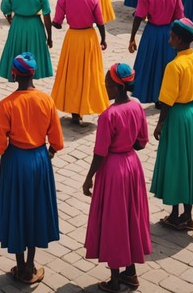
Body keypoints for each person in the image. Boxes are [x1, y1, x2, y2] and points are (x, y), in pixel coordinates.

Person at [0, 53, 64, 285]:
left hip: (15, 162)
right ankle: (31, 265)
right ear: (33, 74)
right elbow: (57, 140)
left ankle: (19, 265)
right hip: (39, 160)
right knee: (35, 210)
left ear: (14, 74)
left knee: (17, 209)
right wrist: (48, 154)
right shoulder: (46, 100)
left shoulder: (7, 104)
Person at [83, 63, 151, 292]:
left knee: (114, 221)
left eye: (107, 84)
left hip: (113, 170)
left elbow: (100, 152)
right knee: (130, 217)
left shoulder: (108, 115)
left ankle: (114, 280)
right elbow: (141, 142)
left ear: (117, 87)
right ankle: (130, 272)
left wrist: (89, 177)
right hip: (132, 166)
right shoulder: (137, 107)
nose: (105, 87)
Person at [151, 18, 193, 231]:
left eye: (172, 36)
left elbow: (167, 101)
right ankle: (187, 215)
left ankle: (174, 214)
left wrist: (160, 125)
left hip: (178, 117)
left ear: (178, 39)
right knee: (192, 163)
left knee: (176, 164)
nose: (169, 38)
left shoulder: (174, 66)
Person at [51, 0, 108, 125]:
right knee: (89, 72)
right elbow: (100, 22)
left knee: (73, 73)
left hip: (73, 38)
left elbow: (57, 23)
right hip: (89, 36)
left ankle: (75, 111)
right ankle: (86, 105)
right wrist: (103, 39)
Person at [0, 0, 52, 81]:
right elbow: (46, 14)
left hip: (18, 24)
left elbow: (5, 8)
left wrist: (9, 19)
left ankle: (18, 76)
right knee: (34, 52)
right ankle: (31, 80)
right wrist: (49, 37)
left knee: (17, 51)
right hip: (35, 25)